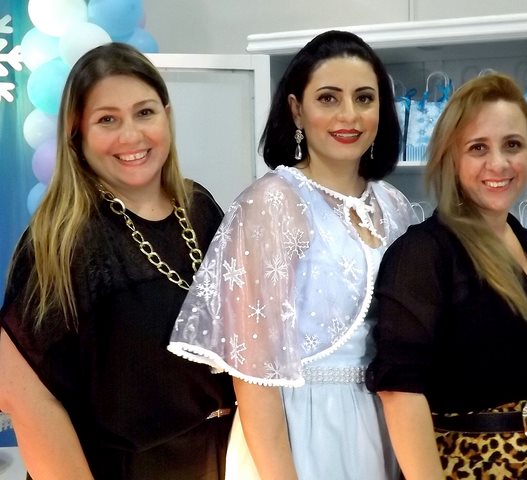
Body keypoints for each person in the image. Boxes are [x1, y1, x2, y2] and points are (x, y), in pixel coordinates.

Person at [168, 30, 416, 480]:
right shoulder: (272, 202)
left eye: (364, 98)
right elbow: (253, 377)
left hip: (385, 424)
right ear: (297, 109)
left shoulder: (394, 206)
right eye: (328, 98)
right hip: (299, 429)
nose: (349, 114)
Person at [0, 43, 235, 480]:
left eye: (144, 112)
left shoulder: (199, 208)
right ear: (77, 132)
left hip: (219, 459)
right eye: (107, 119)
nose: (131, 136)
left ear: (166, 115)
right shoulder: (64, 239)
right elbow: (20, 393)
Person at [366, 73, 527, 479]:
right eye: (478, 147)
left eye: (513, 145)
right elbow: (399, 392)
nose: (498, 164)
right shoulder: (425, 253)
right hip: (471, 466)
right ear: (452, 156)